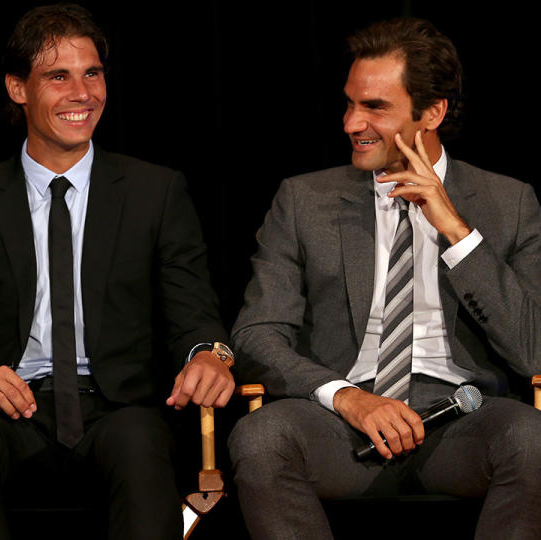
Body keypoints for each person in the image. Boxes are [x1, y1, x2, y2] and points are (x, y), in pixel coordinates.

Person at [0, 4, 234, 539]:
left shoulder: (156, 192)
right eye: (58, 76)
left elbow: (194, 315)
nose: (82, 93)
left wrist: (210, 355)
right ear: (18, 89)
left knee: (140, 441)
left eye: (93, 74)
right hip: (11, 410)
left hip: (119, 409)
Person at [227, 17, 541, 539]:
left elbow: (535, 349)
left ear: (432, 112)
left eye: (375, 107)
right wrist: (348, 396)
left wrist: (455, 230)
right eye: (350, 104)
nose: (352, 123)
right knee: (260, 438)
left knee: (533, 441)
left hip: (463, 419)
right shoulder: (304, 200)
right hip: (343, 422)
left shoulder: (509, 202)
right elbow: (257, 333)